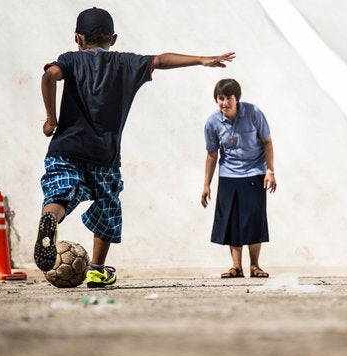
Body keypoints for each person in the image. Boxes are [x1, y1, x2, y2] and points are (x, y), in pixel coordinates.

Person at [34, 7, 235, 288]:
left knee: (60, 192)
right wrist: (202, 59)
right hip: (105, 156)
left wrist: (51, 120)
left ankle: (49, 223)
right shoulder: (126, 63)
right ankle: (96, 269)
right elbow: (161, 60)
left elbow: (48, 77)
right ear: (113, 39)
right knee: (108, 207)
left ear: (77, 38)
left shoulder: (69, 60)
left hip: (65, 148)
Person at [201, 79, 276, 278]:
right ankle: (236, 267)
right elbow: (211, 154)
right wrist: (206, 185)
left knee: (253, 220)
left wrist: (270, 171)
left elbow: (267, 142)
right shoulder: (212, 122)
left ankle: (255, 265)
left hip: (255, 173)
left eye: (229, 98)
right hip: (228, 175)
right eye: (220, 98)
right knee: (232, 221)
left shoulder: (254, 113)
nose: (224, 103)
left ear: (237, 99)